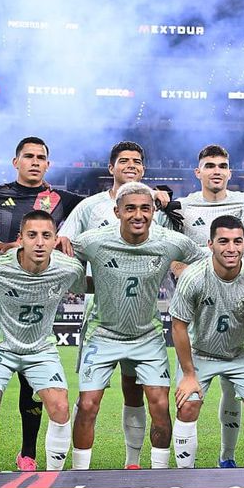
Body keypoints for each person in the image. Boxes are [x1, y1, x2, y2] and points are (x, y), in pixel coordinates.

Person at [0, 136, 85, 472]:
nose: (34, 162)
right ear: (15, 161)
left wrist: (159, 197)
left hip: (36, 297)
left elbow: (103, 208)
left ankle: (28, 454)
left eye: (41, 157)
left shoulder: (62, 199)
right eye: (28, 156)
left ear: (48, 164)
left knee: (33, 385)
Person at [70, 181, 206, 469]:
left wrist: (183, 274)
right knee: (87, 405)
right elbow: (64, 251)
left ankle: (153, 474)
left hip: (147, 335)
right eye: (130, 208)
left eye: (145, 208)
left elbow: (206, 259)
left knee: (159, 403)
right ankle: (77, 475)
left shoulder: (170, 242)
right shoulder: (94, 240)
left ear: (154, 211)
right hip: (103, 333)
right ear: (117, 211)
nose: (138, 215)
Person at [58, 140, 172, 469]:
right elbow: (66, 245)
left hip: (143, 312)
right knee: (90, 400)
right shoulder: (90, 207)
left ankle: (134, 464)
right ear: (111, 168)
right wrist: (78, 283)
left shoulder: (155, 207)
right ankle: (79, 472)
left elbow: (169, 247)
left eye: (137, 161)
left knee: (137, 392)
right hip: (103, 310)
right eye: (123, 161)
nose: (131, 165)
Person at [169, 144, 244, 468]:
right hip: (202, 306)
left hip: (239, 320)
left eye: (223, 165)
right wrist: (181, 273)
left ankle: (232, 464)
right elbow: (171, 248)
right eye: (209, 165)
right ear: (197, 172)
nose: (217, 170)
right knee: (189, 403)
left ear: (230, 172)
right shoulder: (183, 207)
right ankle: (184, 482)